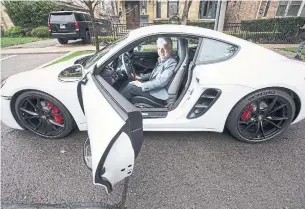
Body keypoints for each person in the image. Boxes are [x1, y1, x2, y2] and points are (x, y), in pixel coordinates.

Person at [120, 37, 177, 104]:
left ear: (170, 49)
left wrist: (142, 85)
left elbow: (162, 81)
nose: (161, 51)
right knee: (129, 82)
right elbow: (154, 73)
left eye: (164, 48)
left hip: (159, 94)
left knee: (130, 87)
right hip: (155, 88)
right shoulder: (162, 60)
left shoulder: (171, 62)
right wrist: (141, 77)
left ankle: (117, 106)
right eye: (159, 48)